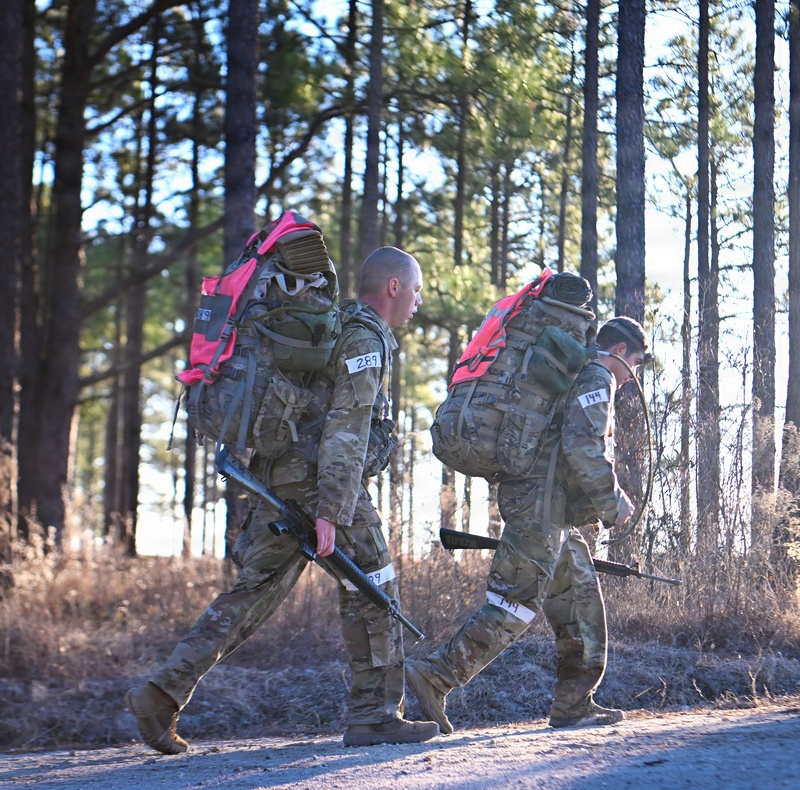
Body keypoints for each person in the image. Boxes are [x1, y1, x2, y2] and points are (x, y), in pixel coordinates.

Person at [126, 247, 439, 751]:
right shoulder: (364, 335)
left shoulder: (335, 326)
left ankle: (161, 694)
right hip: (321, 483)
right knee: (374, 585)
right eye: (417, 290)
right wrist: (332, 511)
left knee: (255, 592)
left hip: (282, 479)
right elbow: (347, 426)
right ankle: (375, 715)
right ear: (393, 288)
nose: (419, 302)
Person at [406, 316, 650, 733]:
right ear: (621, 352)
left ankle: (575, 702)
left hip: (551, 510)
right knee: (514, 603)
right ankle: (435, 675)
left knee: (581, 601)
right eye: (637, 364)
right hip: (541, 506)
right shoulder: (597, 375)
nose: (634, 376)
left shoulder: (578, 374)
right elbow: (582, 445)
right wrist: (614, 502)